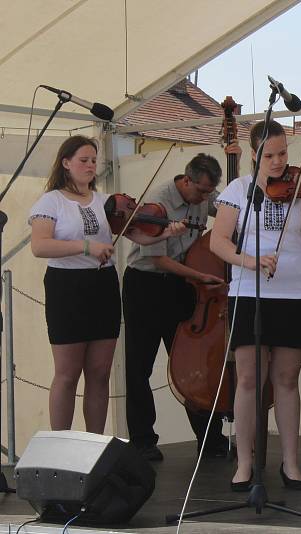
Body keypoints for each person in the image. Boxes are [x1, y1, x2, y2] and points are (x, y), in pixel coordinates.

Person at [210, 119, 301, 491]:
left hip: (294, 291)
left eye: (283, 153)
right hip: (249, 290)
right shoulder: (238, 189)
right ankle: (244, 463)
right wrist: (250, 261)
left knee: (287, 380)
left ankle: (291, 463)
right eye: (271, 155)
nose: (278, 162)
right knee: (249, 379)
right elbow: (219, 241)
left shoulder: (300, 189)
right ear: (256, 153)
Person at [29, 135, 185, 435]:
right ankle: (59, 444)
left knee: (99, 373)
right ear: (66, 163)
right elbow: (40, 245)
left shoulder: (106, 201)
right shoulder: (51, 201)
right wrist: (86, 247)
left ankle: (93, 444)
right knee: (67, 373)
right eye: (83, 160)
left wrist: (167, 233)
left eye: (93, 161)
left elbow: (139, 236)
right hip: (67, 287)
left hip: (103, 286)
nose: (90, 166)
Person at [123, 150, 240, 462]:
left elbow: (232, 210)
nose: (205, 198)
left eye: (209, 191)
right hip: (146, 285)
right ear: (187, 180)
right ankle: (143, 441)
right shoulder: (159, 202)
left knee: (195, 362)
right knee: (139, 366)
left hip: (182, 286)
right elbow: (158, 258)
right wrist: (202, 275)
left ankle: (211, 440)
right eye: (201, 191)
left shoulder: (205, 194)